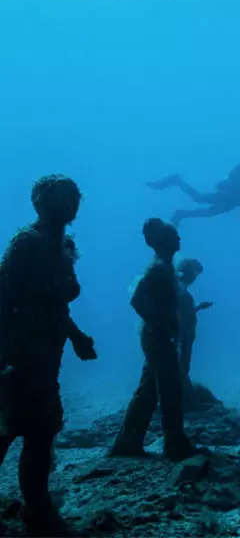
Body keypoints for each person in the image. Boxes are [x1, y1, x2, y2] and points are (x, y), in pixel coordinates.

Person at [0, 174, 98, 535]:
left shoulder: (62, 246)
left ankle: (38, 509)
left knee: (41, 432)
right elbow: (3, 297)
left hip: (46, 360)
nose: (71, 204)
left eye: (74, 197)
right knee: (6, 429)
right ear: (41, 202)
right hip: (19, 359)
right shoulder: (27, 244)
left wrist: (76, 337)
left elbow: (57, 305)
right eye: (62, 197)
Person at [109, 218, 196, 461]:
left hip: (157, 335)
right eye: (175, 236)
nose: (179, 239)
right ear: (165, 241)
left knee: (148, 390)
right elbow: (136, 300)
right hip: (158, 337)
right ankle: (175, 444)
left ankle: (128, 442)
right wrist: (159, 325)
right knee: (169, 390)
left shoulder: (164, 266)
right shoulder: (159, 268)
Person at [146, 160, 240, 227]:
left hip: (230, 202)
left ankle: (180, 213)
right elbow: (236, 178)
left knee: (205, 209)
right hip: (227, 195)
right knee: (198, 199)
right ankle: (177, 182)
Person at [175, 258, 213, 406]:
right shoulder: (181, 291)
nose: (195, 279)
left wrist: (197, 307)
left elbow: (182, 311)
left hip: (181, 338)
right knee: (180, 367)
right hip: (180, 339)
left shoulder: (177, 288)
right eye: (195, 274)